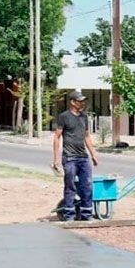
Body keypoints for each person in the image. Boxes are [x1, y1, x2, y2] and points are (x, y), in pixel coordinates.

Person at [51, 90, 99, 221]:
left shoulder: (84, 117)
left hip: (83, 157)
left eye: (83, 101)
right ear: (72, 102)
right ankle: (69, 216)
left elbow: (87, 136)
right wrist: (56, 159)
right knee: (70, 186)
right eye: (79, 101)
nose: (82, 103)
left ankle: (87, 215)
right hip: (69, 158)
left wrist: (93, 154)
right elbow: (57, 137)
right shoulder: (64, 117)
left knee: (87, 186)